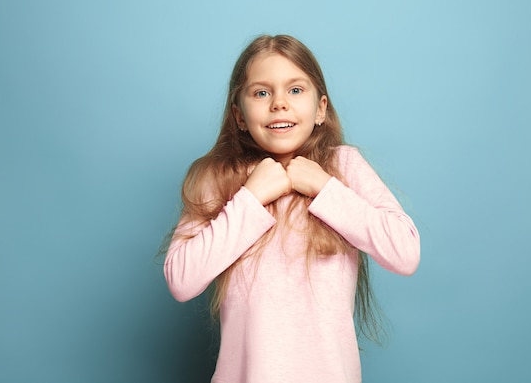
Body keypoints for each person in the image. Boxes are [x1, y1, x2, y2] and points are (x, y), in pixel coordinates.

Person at [163, 34, 420, 383]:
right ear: (239, 115)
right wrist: (251, 198)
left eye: (295, 90)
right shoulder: (219, 178)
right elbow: (181, 279)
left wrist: (324, 188)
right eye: (261, 92)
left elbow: (404, 252)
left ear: (321, 109)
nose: (279, 103)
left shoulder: (343, 166)